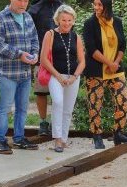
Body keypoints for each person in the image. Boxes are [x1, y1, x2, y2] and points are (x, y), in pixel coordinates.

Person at [83, 0, 127, 149]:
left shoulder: (117, 22)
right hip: (96, 70)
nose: (96, 8)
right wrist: (109, 63)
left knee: (123, 101)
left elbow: (123, 44)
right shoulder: (89, 23)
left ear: (107, 6)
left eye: (100, 5)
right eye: (95, 4)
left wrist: (116, 63)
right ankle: (97, 136)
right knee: (95, 104)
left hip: (116, 69)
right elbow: (91, 49)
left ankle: (118, 133)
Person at [0, 0, 40, 154]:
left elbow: (34, 39)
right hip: (8, 73)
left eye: (26, 0)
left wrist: (36, 53)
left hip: (25, 74)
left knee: (22, 109)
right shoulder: (0, 17)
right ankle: (1, 141)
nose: (23, 3)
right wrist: (19, 55)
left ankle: (19, 139)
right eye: (19, 0)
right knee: (4, 109)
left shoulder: (27, 17)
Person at [40, 5, 85, 152]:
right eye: (63, 20)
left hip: (72, 77)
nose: (66, 23)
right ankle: (57, 139)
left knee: (68, 109)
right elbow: (44, 59)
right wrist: (58, 76)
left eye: (69, 20)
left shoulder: (76, 37)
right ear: (58, 20)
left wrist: (74, 76)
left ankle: (64, 139)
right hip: (55, 75)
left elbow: (82, 61)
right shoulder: (50, 34)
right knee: (58, 102)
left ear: (73, 21)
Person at [28, 0, 63, 136]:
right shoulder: (34, 9)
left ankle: (56, 122)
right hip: (41, 59)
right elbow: (30, 35)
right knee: (41, 92)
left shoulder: (62, 7)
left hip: (60, 57)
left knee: (59, 94)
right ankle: (43, 122)